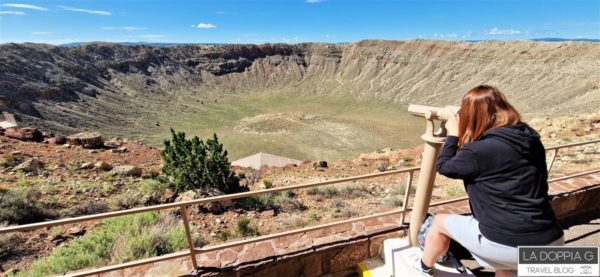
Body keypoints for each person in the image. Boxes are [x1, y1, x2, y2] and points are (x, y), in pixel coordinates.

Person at [414, 85, 564, 277]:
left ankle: (423, 268)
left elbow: (444, 167)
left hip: (509, 243)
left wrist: (453, 134)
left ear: (473, 116)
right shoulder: (529, 137)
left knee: (440, 222)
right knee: (506, 268)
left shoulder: (480, 151)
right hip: (551, 239)